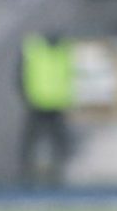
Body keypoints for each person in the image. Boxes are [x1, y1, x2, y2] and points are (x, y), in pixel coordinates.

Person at [17, 29, 75, 187]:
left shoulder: (36, 50)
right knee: (36, 139)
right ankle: (28, 170)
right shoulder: (46, 50)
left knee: (53, 139)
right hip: (41, 102)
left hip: (50, 102)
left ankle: (57, 170)